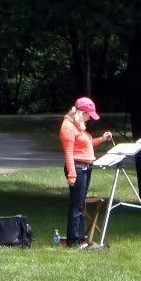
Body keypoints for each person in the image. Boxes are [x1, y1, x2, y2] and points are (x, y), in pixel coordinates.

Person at [59, 96, 112, 248]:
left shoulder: (77, 126)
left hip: (85, 168)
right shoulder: (68, 126)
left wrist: (101, 139)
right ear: (81, 112)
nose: (89, 118)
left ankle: (80, 240)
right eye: (88, 115)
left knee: (80, 206)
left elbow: (86, 146)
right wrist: (72, 174)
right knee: (76, 206)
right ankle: (75, 242)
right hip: (77, 169)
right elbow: (69, 152)